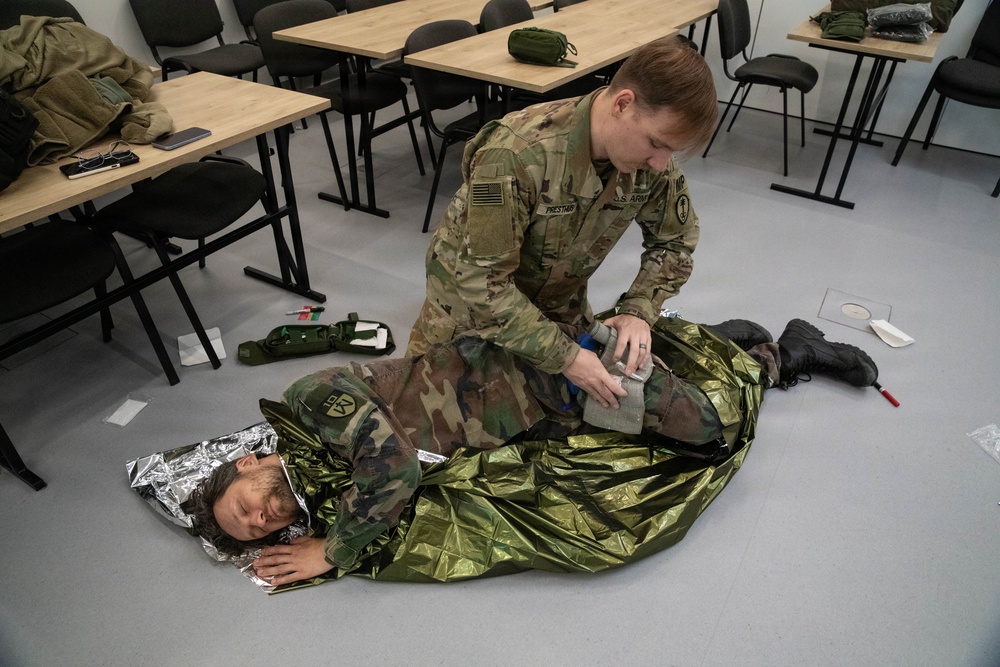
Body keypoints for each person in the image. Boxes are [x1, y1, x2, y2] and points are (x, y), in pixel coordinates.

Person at [189, 316, 877, 587]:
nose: (261, 517)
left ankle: (779, 353)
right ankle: (722, 343)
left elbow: (391, 466)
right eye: (258, 528)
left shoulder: (313, 401)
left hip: (550, 373)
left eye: (244, 503)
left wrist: (333, 550)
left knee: (708, 431)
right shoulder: (317, 480)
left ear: (250, 462)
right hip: (533, 426)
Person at [406, 35, 718, 414]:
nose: (660, 163)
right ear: (623, 104)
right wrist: (566, 357)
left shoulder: (651, 166)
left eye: (670, 151)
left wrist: (638, 309)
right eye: (657, 144)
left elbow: (675, 241)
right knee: (431, 435)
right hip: (467, 323)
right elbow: (481, 284)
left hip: (557, 314)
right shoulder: (515, 156)